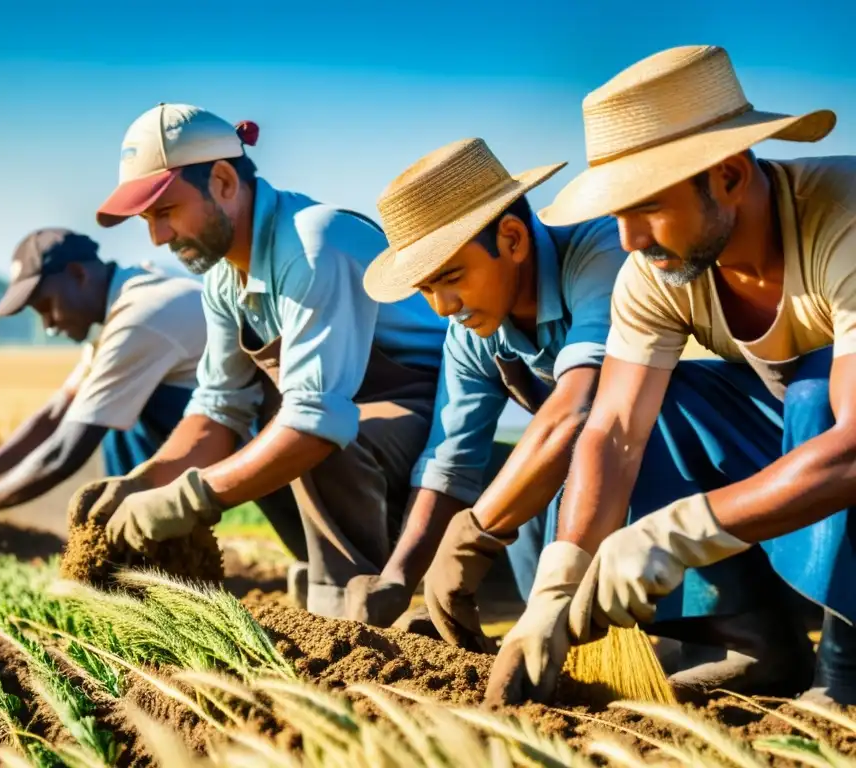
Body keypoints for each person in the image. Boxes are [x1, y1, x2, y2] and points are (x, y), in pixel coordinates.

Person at [350, 136, 816, 698]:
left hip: (747, 446)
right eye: (426, 289)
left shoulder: (601, 255)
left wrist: (474, 534)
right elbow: (449, 459)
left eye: (451, 277)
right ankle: (614, 645)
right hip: (634, 465)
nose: (443, 307)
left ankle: (751, 634)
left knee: (603, 440)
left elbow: (587, 410)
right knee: (536, 533)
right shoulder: (472, 332)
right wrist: (402, 576)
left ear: (514, 238)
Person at [485, 44, 855, 707]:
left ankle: (847, 668)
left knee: (814, 394)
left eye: (647, 205)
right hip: (802, 435)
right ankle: (755, 643)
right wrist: (559, 579)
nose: (627, 238)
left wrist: (674, 535)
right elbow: (615, 430)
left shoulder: (843, 219)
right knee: (667, 402)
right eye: (618, 212)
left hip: (835, 429)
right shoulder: (655, 271)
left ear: (731, 176)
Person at [77, 102, 450, 618]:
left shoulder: (314, 246)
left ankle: (357, 608)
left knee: (306, 437)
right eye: (148, 220)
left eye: (166, 212)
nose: (158, 238)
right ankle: (334, 586)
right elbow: (217, 411)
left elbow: (316, 422)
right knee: (258, 432)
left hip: (433, 416)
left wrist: (187, 501)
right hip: (355, 416)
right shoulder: (224, 278)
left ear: (225, 182)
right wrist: (147, 481)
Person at [0, 227, 210, 540]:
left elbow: (64, 451)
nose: (49, 326)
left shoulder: (139, 317)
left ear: (77, 274)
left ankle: (151, 543)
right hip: (226, 427)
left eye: (46, 306)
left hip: (247, 429)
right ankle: (147, 539)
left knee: (116, 419)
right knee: (108, 407)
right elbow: (55, 415)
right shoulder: (125, 302)